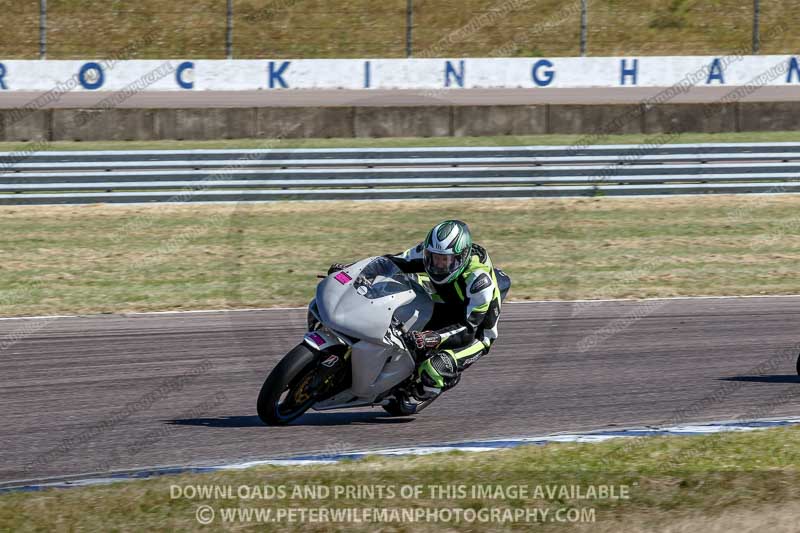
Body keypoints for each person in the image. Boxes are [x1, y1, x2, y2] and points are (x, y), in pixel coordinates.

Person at [330, 220, 509, 401]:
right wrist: (353, 271)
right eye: (434, 257)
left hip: (474, 331)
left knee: (435, 368)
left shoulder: (479, 281)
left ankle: (419, 393)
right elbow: (391, 262)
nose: (438, 265)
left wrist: (434, 337)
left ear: (461, 258)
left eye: (445, 260)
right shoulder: (427, 251)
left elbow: (468, 329)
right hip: (444, 302)